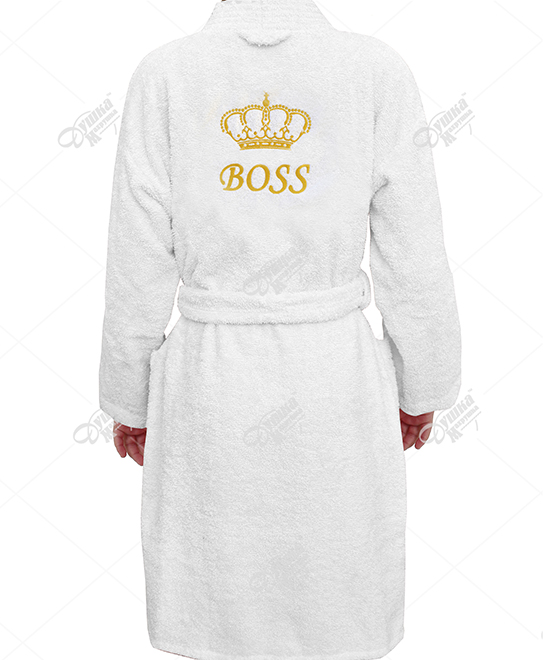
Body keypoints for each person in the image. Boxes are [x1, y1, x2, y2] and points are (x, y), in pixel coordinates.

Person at [99, 0, 462, 657]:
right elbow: (414, 251)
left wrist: (129, 398)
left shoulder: (167, 73)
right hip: (332, 375)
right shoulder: (373, 70)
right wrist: (423, 384)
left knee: (214, 599)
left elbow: (137, 255)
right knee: (334, 591)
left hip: (210, 379)